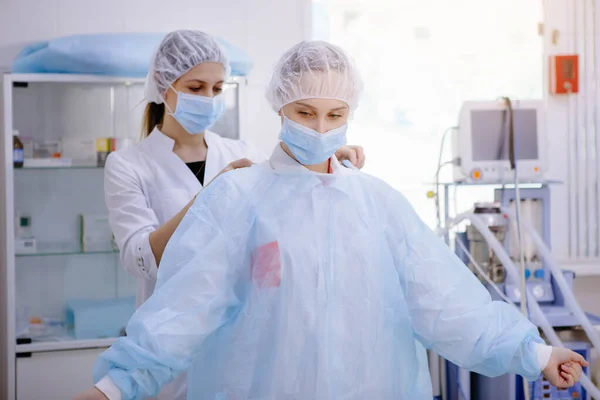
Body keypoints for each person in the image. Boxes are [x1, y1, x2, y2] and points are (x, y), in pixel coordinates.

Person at [76, 41, 587, 400]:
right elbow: (184, 309)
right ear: (279, 106)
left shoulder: (378, 205)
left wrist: (536, 353)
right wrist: (114, 386)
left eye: (334, 115)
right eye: (304, 113)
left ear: (350, 114)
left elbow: (448, 303)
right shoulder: (237, 198)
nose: (320, 127)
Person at [104, 30, 366, 400]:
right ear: (164, 88)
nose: (209, 98)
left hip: (240, 340)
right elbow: (140, 258)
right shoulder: (129, 164)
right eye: (196, 87)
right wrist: (209, 198)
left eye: (217, 88)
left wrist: (325, 157)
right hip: (169, 340)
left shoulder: (240, 151)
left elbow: (284, 196)